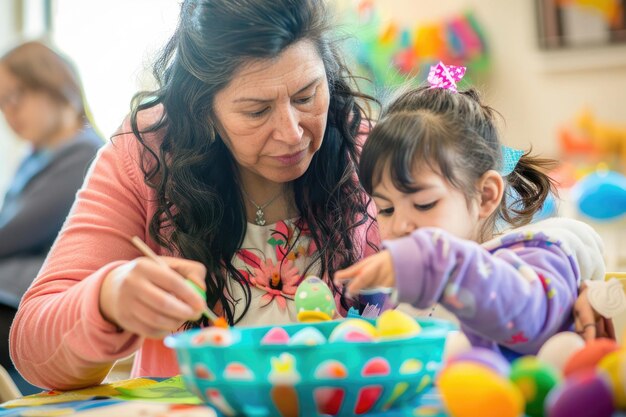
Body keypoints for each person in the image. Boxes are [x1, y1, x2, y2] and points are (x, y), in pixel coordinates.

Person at [10, 0, 378, 390]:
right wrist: (108, 299)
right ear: (202, 110)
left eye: (306, 97)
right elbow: (32, 351)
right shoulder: (147, 155)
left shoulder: (362, 149)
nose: (291, 133)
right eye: (256, 111)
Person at [335, 63, 606, 357]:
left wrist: (435, 265)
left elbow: (525, 318)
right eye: (386, 209)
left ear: (485, 195)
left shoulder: (530, 260)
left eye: (424, 204)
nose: (400, 225)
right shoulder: (396, 290)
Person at [0, 41, 102, 376]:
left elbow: (14, 233)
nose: (9, 112)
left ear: (57, 86)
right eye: (1, 102)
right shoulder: (33, 159)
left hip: (33, 305)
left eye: (16, 95)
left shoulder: (85, 155)